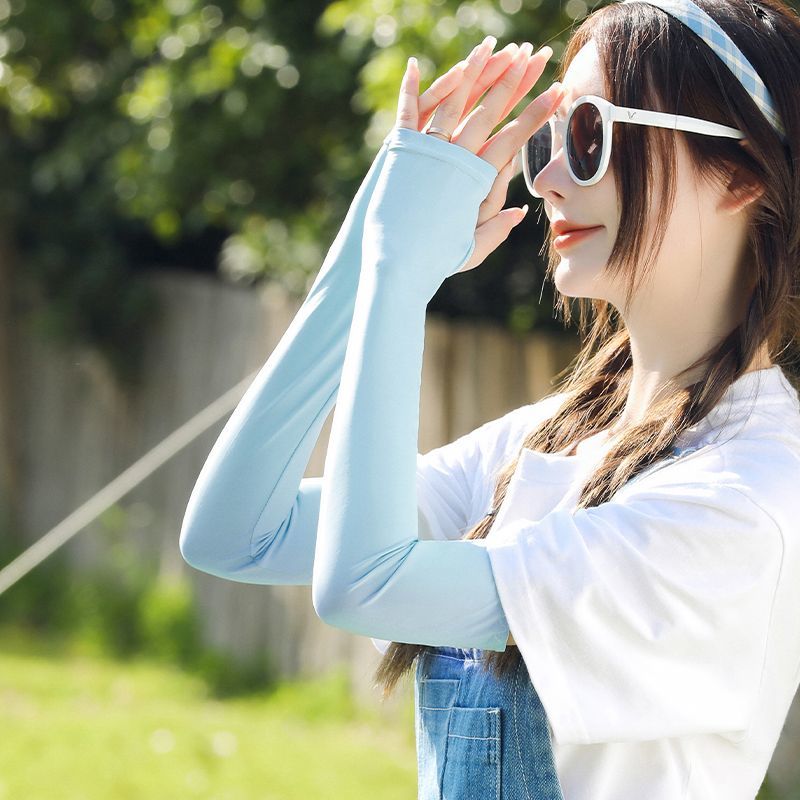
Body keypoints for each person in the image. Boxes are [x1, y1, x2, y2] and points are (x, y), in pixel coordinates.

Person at [179, 0, 800, 797]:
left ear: (741, 173)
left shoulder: (745, 501)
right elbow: (236, 535)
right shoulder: (551, 441)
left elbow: (368, 583)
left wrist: (399, 275)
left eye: (591, 136)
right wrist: (372, 235)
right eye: (550, 139)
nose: (547, 180)